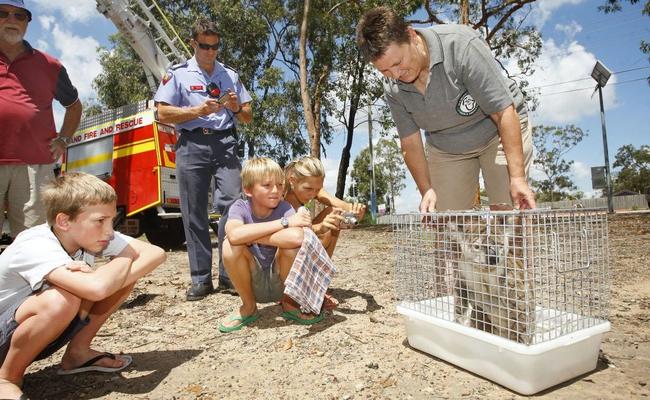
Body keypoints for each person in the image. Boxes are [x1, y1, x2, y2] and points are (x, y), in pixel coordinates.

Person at [0, 172, 166, 400]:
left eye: (111, 220)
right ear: (64, 221)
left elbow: (156, 253)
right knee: (62, 299)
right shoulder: (35, 243)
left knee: (119, 278)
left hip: (22, 335)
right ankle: (7, 378)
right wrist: (125, 256)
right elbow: (97, 289)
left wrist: (110, 275)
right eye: (100, 221)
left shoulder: (84, 234)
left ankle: (77, 354)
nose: (109, 231)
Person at [356, 7, 536, 212]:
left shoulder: (460, 45)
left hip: (496, 132)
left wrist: (518, 178)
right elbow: (411, 143)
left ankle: (505, 231)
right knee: (447, 225)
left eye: (398, 62)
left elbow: (503, 112)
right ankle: (476, 241)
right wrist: (427, 190)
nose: (396, 74)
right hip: (447, 146)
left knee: (507, 215)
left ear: (411, 35)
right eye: (385, 70)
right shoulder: (393, 87)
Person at [154, 17, 253, 301]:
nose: (211, 52)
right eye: (205, 46)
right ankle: (200, 279)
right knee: (193, 212)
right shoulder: (177, 74)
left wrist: (235, 107)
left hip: (224, 143)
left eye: (216, 46)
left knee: (233, 207)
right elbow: (162, 113)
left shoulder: (230, 75)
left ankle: (227, 274)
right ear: (193, 43)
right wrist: (197, 111)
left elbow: (248, 116)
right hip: (192, 144)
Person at [219, 158, 335, 333]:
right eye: (266, 185)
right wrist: (285, 223)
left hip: (282, 283)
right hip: (251, 282)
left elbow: (297, 237)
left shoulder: (284, 207)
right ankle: (249, 307)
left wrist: (251, 235)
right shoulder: (240, 207)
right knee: (230, 246)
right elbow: (233, 236)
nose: (275, 191)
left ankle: (290, 304)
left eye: (280, 185)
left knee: (292, 247)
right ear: (248, 190)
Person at [0, 0, 83, 242]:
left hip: (34, 166)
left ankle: (31, 282)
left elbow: (74, 106)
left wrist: (64, 140)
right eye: (3, 13)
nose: (12, 20)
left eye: (20, 16)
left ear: (27, 23)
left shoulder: (49, 66)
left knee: (33, 240)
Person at [284, 156, 366, 257]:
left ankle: (324, 271)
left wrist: (354, 211)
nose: (313, 194)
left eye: (317, 189)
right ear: (292, 181)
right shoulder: (277, 191)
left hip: (299, 236)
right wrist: (319, 227)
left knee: (335, 215)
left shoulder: (310, 186)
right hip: (279, 250)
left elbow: (330, 200)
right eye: (308, 189)